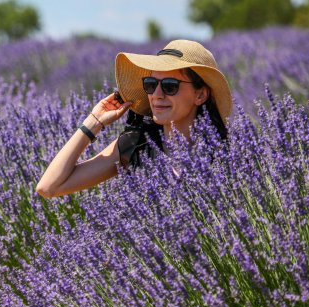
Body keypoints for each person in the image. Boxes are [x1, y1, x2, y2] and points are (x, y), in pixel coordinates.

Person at [36, 39, 232, 198]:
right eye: (150, 83)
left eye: (170, 86)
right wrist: (94, 122)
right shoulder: (136, 144)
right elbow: (48, 188)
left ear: (200, 95)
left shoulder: (228, 155)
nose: (156, 94)